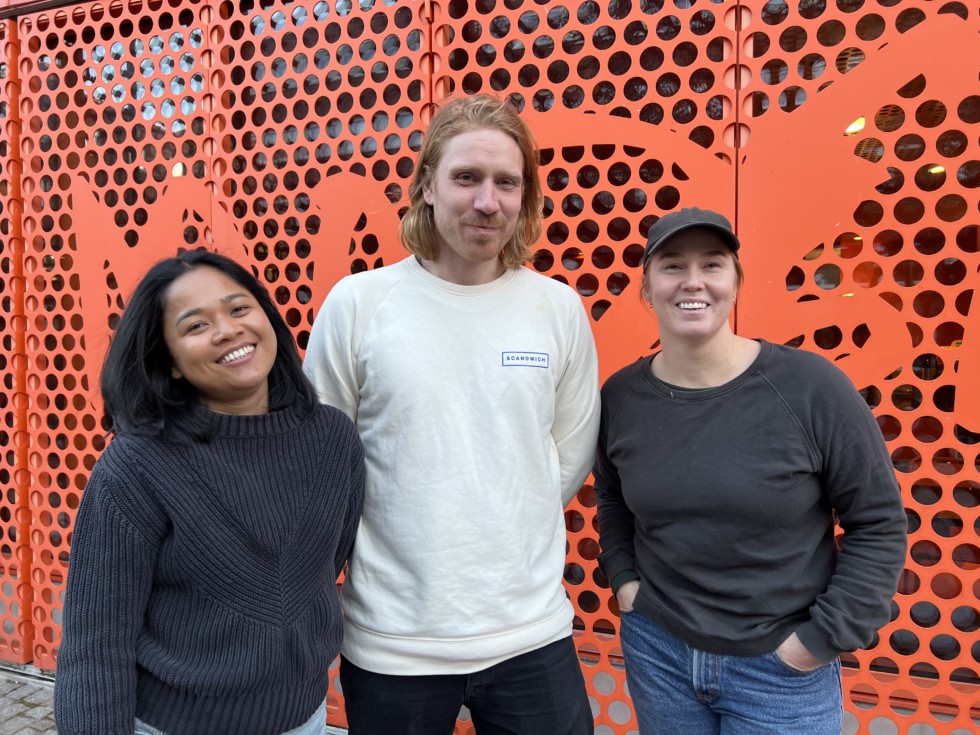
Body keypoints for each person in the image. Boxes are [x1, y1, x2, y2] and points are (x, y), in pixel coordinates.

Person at [304, 93, 600, 734]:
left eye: (506, 182)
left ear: (525, 197)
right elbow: (322, 460)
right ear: (427, 187)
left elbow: (568, 454)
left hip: (530, 635)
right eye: (466, 177)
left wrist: (500, 520)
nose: (487, 201)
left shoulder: (557, 308)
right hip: (393, 643)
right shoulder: (359, 304)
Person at [594, 207, 908, 734]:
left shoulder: (811, 388)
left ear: (736, 283)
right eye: (672, 265)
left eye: (712, 265)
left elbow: (878, 521)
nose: (693, 281)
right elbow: (612, 499)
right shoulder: (622, 397)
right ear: (647, 287)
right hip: (660, 651)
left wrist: (818, 642)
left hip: (780, 670)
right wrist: (624, 579)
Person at [54, 250, 365, 735]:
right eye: (196, 326)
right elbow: (96, 646)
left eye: (239, 308)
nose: (227, 330)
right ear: (172, 363)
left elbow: (323, 568)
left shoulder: (333, 439)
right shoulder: (137, 466)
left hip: (305, 720)